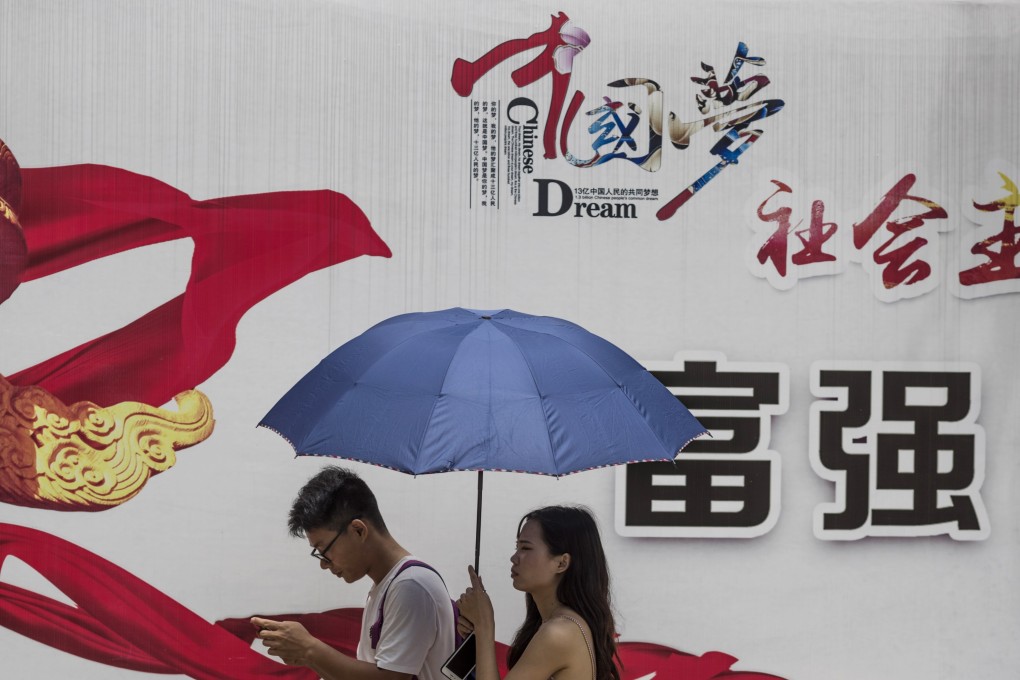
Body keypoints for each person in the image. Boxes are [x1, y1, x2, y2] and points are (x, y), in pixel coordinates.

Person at [252, 465, 456, 680]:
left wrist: (309, 649)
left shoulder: (411, 586)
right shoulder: (388, 586)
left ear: (358, 530)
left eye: (324, 550)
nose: (324, 564)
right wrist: (307, 656)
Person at [457, 505, 621, 680]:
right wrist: (479, 637)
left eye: (525, 548)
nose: (514, 558)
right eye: (517, 547)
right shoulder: (557, 624)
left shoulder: (558, 633)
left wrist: (484, 625)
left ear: (561, 563)